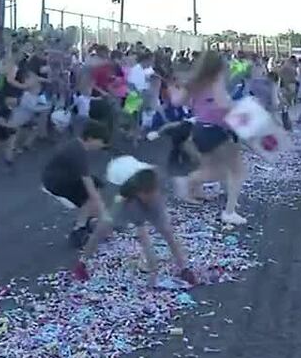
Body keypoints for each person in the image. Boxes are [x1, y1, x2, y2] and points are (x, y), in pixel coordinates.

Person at [72, 157, 198, 287]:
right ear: (139, 193)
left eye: (152, 193)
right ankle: (82, 263)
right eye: (146, 194)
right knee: (102, 228)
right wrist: (153, 274)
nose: (150, 196)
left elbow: (167, 231)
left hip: (151, 203)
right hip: (126, 202)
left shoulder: (156, 190)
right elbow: (144, 238)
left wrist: (183, 268)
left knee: (167, 232)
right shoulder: (130, 198)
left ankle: (184, 268)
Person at [183, 51, 247, 225]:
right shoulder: (216, 79)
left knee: (213, 168)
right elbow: (223, 104)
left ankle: (191, 188)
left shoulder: (195, 82)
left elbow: (182, 102)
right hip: (217, 130)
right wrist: (241, 106)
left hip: (199, 128)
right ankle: (229, 211)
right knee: (237, 170)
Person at [41, 120, 110, 247]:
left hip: (63, 177)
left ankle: (88, 219)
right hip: (56, 182)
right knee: (90, 193)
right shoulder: (78, 152)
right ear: (91, 138)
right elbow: (90, 189)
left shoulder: (77, 146)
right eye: (101, 142)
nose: (102, 145)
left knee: (96, 184)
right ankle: (79, 229)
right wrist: (104, 216)